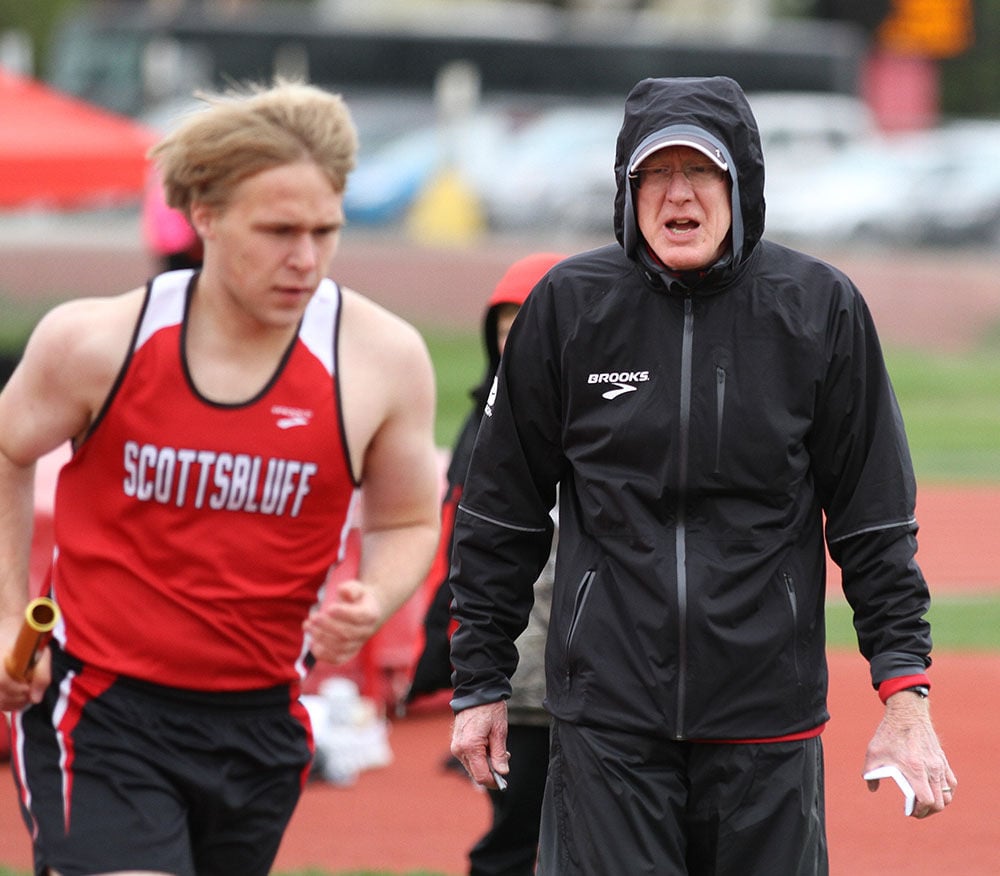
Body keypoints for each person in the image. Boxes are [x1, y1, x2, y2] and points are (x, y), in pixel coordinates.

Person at [447, 76, 956, 875]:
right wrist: (479, 681)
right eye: (656, 174)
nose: (677, 195)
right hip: (608, 721)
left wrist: (905, 696)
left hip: (767, 721)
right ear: (628, 189)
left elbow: (874, 521)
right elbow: (500, 514)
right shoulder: (568, 307)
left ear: (740, 183)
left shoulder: (819, 309)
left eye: (701, 172)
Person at [0, 79, 441, 875]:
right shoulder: (99, 341)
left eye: (324, 230)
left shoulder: (382, 359)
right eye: (277, 231)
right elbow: (5, 448)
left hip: (261, 722)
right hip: (102, 711)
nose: (304, 259)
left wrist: (377, 597)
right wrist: (5, 616)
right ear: (203, 216)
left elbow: (407, 520)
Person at [407, 253, 565, 876]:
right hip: (521, 673)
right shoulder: (486, 421)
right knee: (514, 834)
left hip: (595, 671)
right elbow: (463, 555)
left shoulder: (604, 406)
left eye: (524, 322)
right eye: (501, 326)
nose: (511, 339)